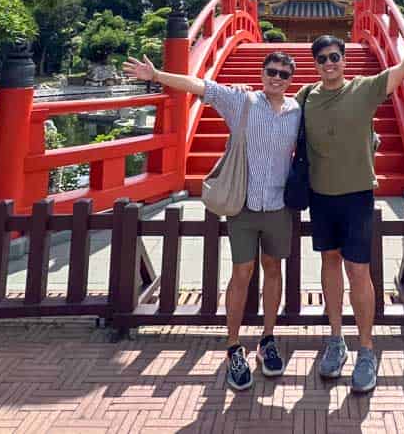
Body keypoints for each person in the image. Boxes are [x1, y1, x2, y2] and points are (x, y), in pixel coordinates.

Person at [301, 1, 404, 393]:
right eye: (322, 59)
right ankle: (336, 339)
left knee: (358, 271)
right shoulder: (306, 97)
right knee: (329, 265)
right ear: (315, 64)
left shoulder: (365, 89)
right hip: (321, 197)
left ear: (343, 59)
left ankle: (367, 348)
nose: (329, 64)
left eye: (335, 57)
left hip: (356, 194)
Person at [122, 50, 301, 391]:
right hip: (243, 205)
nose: (277, 78)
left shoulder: (296, 111)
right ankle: (233, 346)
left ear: (291, 80)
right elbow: (200, 86)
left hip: (279, 206)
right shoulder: (241, 101)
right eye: (272, 71)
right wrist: (157, 75)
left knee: (274, 269)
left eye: (283, 74)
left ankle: (267, 339)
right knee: (242, 273)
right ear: (262, 74)